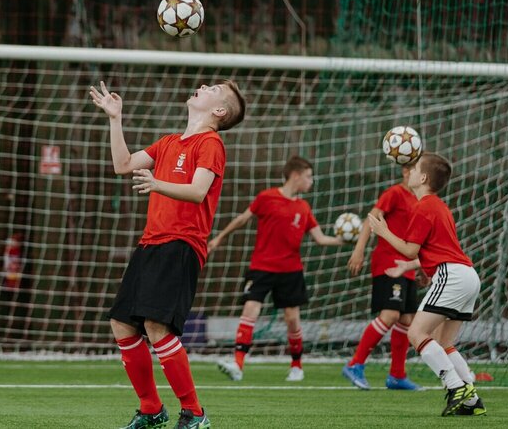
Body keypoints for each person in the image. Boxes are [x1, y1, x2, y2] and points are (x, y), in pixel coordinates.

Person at [90, 79, 246, 429]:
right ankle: (150, 409)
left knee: (157, 326)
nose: (203, 85)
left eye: (213, 88)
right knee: (122, 325)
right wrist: (115, 119)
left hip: (181, 245)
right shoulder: (169, 142)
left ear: (219, 111)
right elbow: (123, 164)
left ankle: (195, 413)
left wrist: (158, 183)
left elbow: (197, 191)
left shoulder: (211, 143)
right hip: (150, 243)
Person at [368, 152, 486, 417]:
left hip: (452, 276)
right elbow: (436, 251)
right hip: (467, 274)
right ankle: (471, 400)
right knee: (444, 342)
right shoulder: (440, 207)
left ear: (423, 178)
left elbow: (411, 250)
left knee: (416, 333)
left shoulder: (423, 206)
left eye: (415, 168)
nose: (408, 171)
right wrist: (407, 267)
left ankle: (456, 387)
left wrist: (384, 232)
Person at [209, 156, 345, 382]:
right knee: (250, 309)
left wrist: (347, 241)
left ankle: (297, 366)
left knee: (292, 319)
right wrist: (219, 239)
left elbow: (320, 239)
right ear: (296, 175)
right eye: (309, 176)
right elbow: (242, 219)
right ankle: (237, 364)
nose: (311, 181)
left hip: (290, 271)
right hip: (261, 267)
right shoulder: (267, 197)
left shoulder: (303, 207)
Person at [342, 164, 423, 391]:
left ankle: (397, 375)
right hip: (388, 263)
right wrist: (359, 249)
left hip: (407, 267)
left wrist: (422, 268)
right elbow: (371, 219)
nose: (413, 173)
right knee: (390, 314)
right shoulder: (395, 193)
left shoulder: (418, 200)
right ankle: (355, 364)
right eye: (411, 168)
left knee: (407, 320)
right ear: (405, 171)